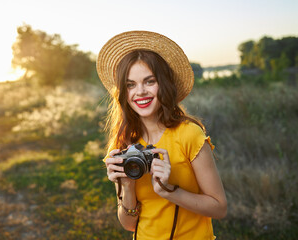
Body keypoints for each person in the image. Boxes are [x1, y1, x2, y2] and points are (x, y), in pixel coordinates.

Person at [97, 31, 227, 240]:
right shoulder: (123, 145)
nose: (140, 92)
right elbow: (129, 224)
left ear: (163, 84)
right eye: (130, 84)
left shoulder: (189, 135)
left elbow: (219, 208)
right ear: (123, 91)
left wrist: (170, 192)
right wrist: (128, 187)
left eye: (149, 81)